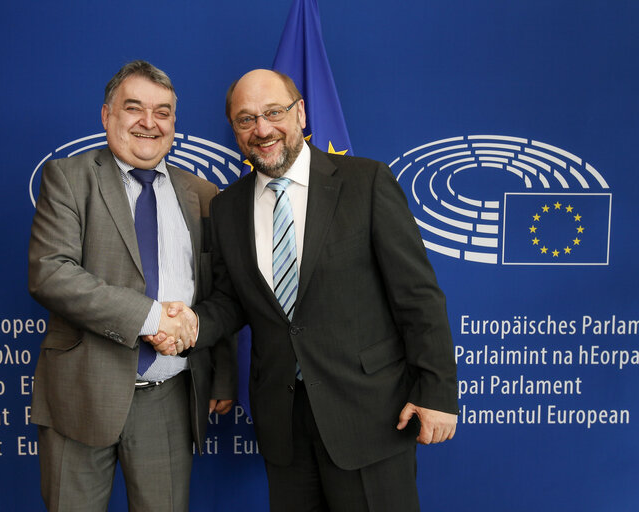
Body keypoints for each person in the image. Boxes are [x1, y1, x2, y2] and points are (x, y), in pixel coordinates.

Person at [168, 69, 458, 511]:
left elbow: (418, 297)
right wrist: (190, 324)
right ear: (234, 130)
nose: (262, 130)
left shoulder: (367, 183)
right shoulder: (227, 207)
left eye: (273, 112)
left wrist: (437, 393)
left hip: (370, 417)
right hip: (283, 424)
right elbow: (231, 302)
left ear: (300, 112)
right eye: (246, 120)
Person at [28, 60, 236, 512]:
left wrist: (221, 373)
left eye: (163, 112)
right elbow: (51, 272)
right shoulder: (68, 178)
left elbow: (217, 292)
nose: (149, 122)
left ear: (174, 125)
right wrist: (151, 317)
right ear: (107, 116)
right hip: (80, 393)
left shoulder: (202, 194)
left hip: (169, 398)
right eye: (134, 108)